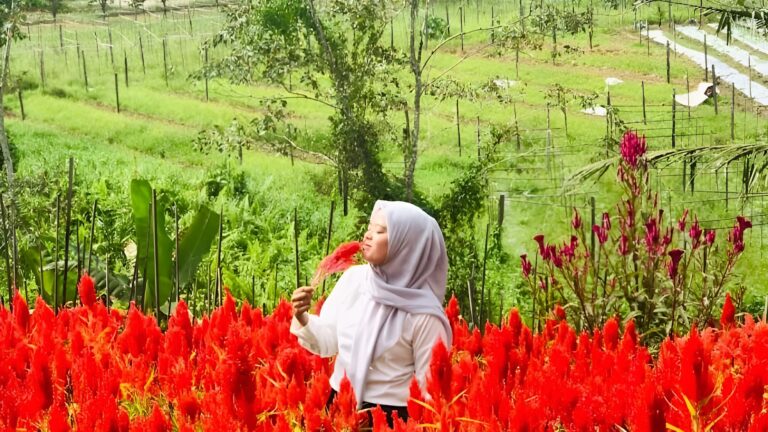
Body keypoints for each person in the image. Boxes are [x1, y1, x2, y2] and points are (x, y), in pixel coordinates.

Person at [290, 200, 452, 427]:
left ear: (406, 245)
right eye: (369, 228)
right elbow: (328, 342)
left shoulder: (425, 315)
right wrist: (302, 316)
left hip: (390, 418)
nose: (368, 235)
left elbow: (431, 393)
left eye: (380, 231)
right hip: (339, 403)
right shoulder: (354, 280)